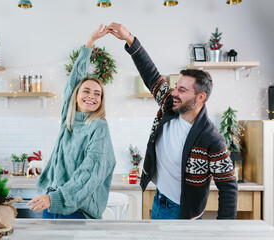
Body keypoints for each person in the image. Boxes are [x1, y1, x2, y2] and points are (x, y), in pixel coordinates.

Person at [107, 23, 238, 219]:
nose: (174, 93)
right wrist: (130, 39)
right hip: (159, 199)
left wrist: (224, 229)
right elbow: (151, 75)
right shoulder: (170, 104)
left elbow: (228, 186)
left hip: (182, 212)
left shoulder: (211, 139)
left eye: (182, 90)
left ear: (200, 97)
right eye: (176, 87)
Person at [27, 24, 116, 219]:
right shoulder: (68, 118)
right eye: (86, 91)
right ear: (75, 96)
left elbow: (90, 171)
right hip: (54, 200)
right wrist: (90, 43)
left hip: (77, 208)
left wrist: (55, 198)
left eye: (97, 94)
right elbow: (73, 81)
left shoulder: (98, 127)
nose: (91, 96)